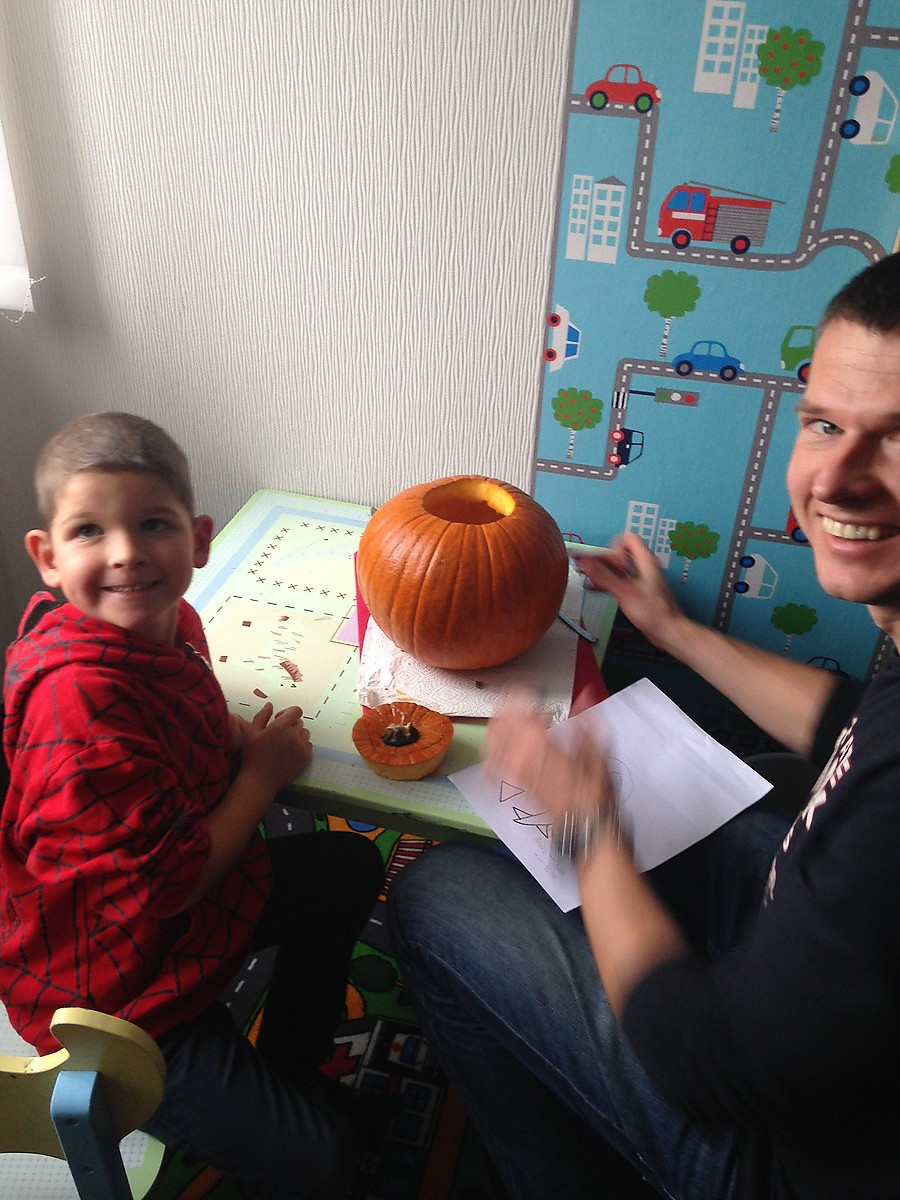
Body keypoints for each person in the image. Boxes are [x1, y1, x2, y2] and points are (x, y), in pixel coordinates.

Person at [387, 251, 900, 1200]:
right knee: (666, 817)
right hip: (830, 999)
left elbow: (708, 1066)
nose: (836, 478)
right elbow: (853, 726)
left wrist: (588, 830)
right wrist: (677, 633)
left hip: (778, 1153)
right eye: (826, 423)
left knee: (437, 896)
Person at [1, 411, 387, 1199]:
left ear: (197, 539)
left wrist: (237, 739)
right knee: (324, 1164)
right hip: (112, 998)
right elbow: (169, 887)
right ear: (47, 558)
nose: (126, 552)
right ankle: (267, 1114)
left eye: (153, 524)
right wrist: (261, 779)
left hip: (183, 920)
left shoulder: (170, 624)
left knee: (347, 865)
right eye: (89, 530)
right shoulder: (79, 712)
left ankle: (288, 1072)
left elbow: (187, 710)